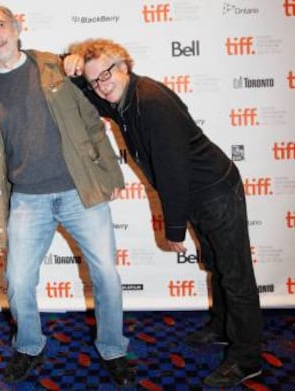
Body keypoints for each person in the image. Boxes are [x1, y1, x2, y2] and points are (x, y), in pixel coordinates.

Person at [64, 39, 263, 388]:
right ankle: (221, 326)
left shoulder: (151, 102)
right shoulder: (121, 99)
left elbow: (173, 171)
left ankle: (247, 359)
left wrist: (173, 229)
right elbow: (87, 93)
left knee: (236, 275)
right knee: (217, 265)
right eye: (95, 80)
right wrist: (74, 62)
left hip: (215, 190)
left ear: (124, 66)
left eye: (106, 74)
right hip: (198, 193)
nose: (101, 85)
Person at [0, 8, 136, 388]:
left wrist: (110, 172)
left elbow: (92, 120)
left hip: (79, 190)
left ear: (17, 27)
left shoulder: (55, 67)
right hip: (26, 200)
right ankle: (29, 345)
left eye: (0, 25)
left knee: (106, 274)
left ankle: (113, 348)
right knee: (18, 279)